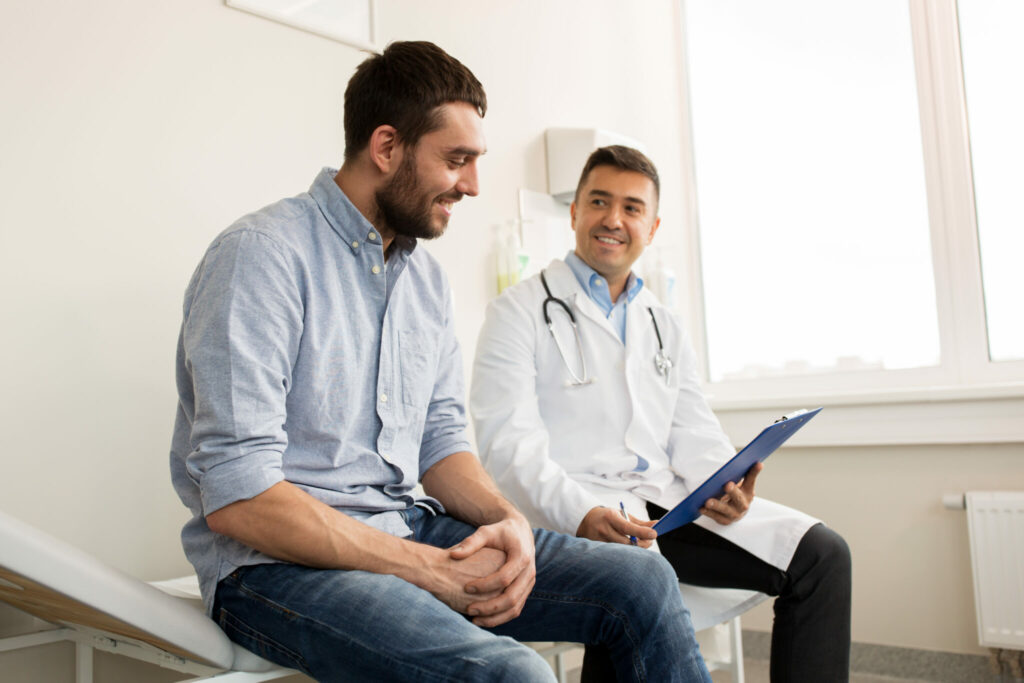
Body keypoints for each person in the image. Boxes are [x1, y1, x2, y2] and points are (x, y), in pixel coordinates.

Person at [169, 43, 711, 683]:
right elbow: (241, 499)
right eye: (457, 161)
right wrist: (423, 567)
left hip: (406, 526)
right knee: (516, 675)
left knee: (642, 579)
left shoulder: (423, 281)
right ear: (387, 147)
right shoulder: (261, 256)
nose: (473, 185)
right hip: (273, 567)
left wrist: (507, 521)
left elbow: (441, 444)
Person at [470, 145, 852, 682]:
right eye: (599, 201)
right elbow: (507, 448)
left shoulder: (662, 323)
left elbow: (692, 428)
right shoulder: (516, 313)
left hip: (667, 507)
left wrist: (726, 482)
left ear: (651, 227)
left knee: (822, 556)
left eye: (631, 208)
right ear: (575, 211)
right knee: (631, 585)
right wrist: (580, 513)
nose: (613, 219)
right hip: (573, 511)